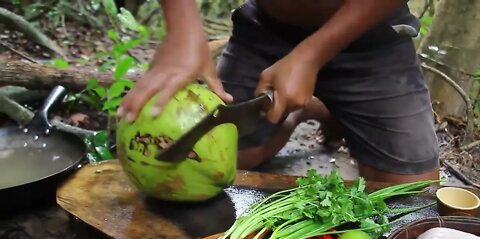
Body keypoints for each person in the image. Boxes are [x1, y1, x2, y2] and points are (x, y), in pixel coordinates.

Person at [116, 0, 440, 183]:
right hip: (266, 28)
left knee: (412, 194)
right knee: (220, 161)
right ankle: (303, 109)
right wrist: (182, 24)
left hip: (371, 36)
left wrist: (312, 54)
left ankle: (318, 106)